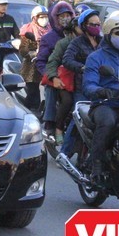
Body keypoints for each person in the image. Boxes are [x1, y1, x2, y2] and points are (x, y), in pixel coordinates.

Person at [82, 15, 119, 182]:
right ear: (108, 35)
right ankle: (96, 162)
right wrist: (101, 91)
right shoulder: (96, 57)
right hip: (105, 104)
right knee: (108, 122)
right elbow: (88, 85)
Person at [59, 9, 102, 158]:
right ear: (84, 26)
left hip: (101, 86)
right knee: (79, 118)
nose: (96, 27)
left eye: (98, 24)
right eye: (92, 24)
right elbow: (67, 60)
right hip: (83, 86)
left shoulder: (103, 42)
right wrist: (83, 68)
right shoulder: (77, 43)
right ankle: (64, 153)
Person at [35, 1, 76, 137]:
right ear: (55, 18)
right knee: (56, 94)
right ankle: (51, 123)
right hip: (56, 77)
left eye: (68, 15)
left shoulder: (76, 35)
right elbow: (41, 62)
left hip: (74, 75)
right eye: (61, 16)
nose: (65, 18)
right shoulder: (49, 38)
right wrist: (52, 77)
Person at [45, 13, 83, 144]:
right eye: (80, 27)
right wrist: (54, 77)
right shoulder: (63, 43)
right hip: (65, 81)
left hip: (84, 81)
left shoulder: (93, 41)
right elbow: (52, 62)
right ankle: (58, 129)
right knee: (67, 101)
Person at [19, 6, 50, 113]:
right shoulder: (28, 30)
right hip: (31, 69)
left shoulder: (51, 31)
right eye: (41, 17)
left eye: (46, 17)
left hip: (47, 66)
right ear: (35, 18)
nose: (44, 19)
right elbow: (23, 50)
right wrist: (33, 53)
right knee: (33, 93)